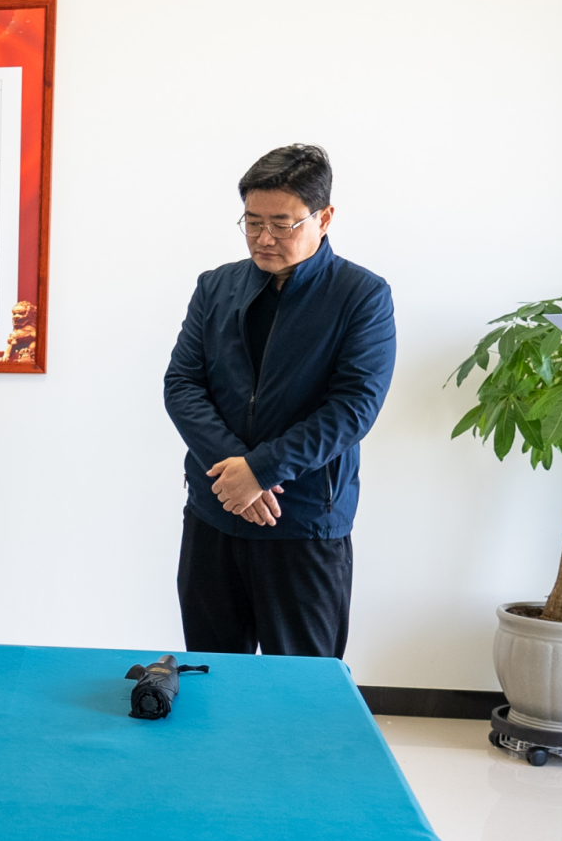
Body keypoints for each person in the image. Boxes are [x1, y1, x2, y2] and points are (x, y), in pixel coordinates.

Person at [162, 144, 395, 658]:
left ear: (323, 218)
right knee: (212, 671)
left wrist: (262, 470)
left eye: (282, 224)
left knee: (304, 684)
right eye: (252, 222)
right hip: (215, 509)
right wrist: (236, 474)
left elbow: (354, 407)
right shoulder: (215, 286)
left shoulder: (361, 295)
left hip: (303, 519)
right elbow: (182, 384)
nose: (264, 238)